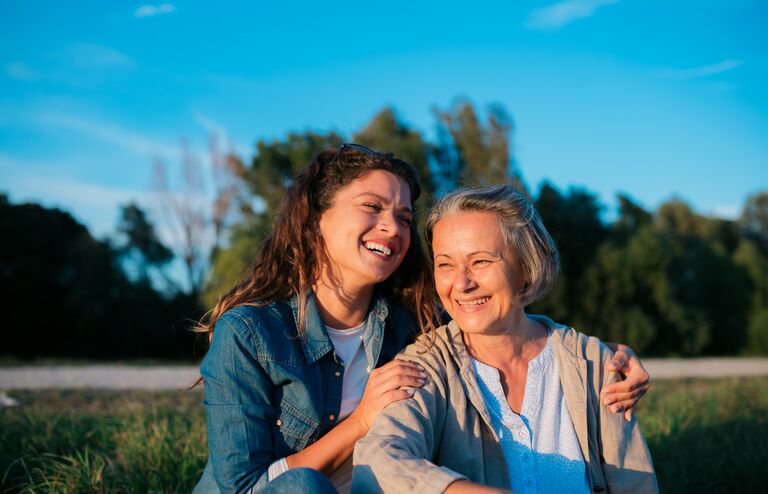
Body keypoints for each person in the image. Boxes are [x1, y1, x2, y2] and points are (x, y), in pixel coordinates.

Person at [193, 145, 650, 494]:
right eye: (372, 208)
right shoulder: (250, 334)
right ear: (316, 221)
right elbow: (248, 489)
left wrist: (601, 353)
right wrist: (361, 421)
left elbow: (499, 318)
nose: (393, 228)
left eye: (405, 217)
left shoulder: (413, 327)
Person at [352, 185, 659, 494]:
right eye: (445, 264)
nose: (461, 283)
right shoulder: (426, 365)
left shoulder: (593, 364)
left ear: (526, 265)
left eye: (481, 261)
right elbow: (379, 460)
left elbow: (636, 484)